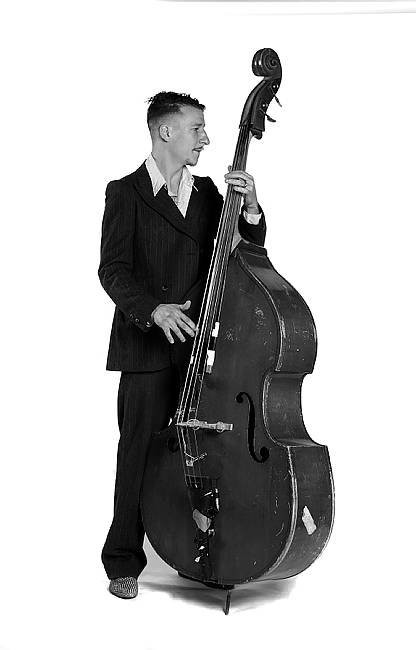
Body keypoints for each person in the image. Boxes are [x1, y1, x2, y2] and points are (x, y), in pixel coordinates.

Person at [98, 91, 266, 599]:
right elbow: (113, 270)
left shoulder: (211, 193)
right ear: (165, 131)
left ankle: (197, 551)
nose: (206, 139)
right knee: (138, 454)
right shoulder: (125, 193)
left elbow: (244, 253)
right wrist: (152, 309)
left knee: (201, 453)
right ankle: (123, 560)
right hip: (146, 349)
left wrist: (250, 208)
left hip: (199, 349)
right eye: (197, 128)